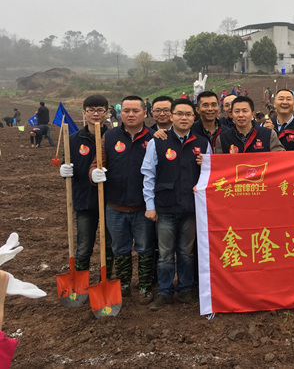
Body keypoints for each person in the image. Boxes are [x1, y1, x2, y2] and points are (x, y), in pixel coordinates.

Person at [141, 99, 211, 310]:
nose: (184, 118)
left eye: (188, 114)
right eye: (179, 113)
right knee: (164, 254)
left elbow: (209, 176)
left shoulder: (202, 143)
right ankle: (164, 291)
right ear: (171, 116)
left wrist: (206, 163)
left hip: (191, 209)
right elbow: (148, 175)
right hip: (165, 208)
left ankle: (185, 289)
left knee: (186, 253)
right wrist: (150, 205)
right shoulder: (158, 142)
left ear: (194, 117)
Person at [89, 95, 156, 304]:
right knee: (120, 248)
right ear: (120, 113)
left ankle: (145, 285)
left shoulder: (154, 138)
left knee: (145, 247)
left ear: (144, 113)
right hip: (115, 206)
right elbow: (96, 164)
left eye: (135, 110)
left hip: (143, 207)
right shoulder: (108, 137)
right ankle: (124, 283)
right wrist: (94, 174)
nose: (130, 114)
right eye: (126, 110)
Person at [59, 95, 114, 276]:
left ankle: (104, 280)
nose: (95, 114)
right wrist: (64, 169)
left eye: (100, 110)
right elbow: (68, 162)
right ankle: (80, 281)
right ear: (84, 113)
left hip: (110, 201)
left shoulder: (114, 138)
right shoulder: (74, 139)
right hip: (84, 199)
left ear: (107, 113)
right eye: (91, 110)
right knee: (83, 246)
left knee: (109, 246)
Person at [214, 96, 284, 153]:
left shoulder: (269, 134)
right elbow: (218, 164)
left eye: (245, 111)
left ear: (252, 114)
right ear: (232, 114)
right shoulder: (222, 139)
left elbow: (281, 159)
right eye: (237, 111)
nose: (241, 115)